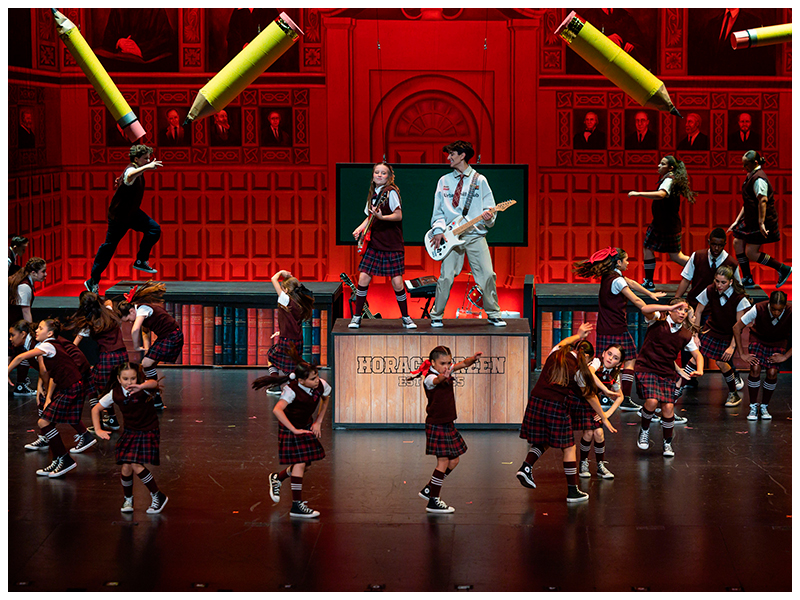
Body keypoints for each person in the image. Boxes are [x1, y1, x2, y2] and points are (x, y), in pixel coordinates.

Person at [573, 247, 683, 417]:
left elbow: (632, 283)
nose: (628, 263)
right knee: (620, 360)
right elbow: (636, 300)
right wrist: (655, 309)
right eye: (626, 260)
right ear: (618, 262)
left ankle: (609, 396)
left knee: (613, 361)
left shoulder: (611, 275)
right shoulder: (617, 280)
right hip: (615, 327)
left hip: (608, 326)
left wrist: (650, 294)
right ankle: (616, 397)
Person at [516, 323, 616, 503]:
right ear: (586, 357)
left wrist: (578, 335)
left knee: (545, 440)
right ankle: (572, 491)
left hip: (536, 401)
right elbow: (590, 396)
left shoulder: (556, 352)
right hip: (555, 406)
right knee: (569, 447)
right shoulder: (578, 370)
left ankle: (526, 467)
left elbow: (563, 342)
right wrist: (604, 417)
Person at [429, 140, 505, 327]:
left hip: (474, 235)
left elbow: (490, 209)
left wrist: (488, 217)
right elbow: (438, 211)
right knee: (446, 276)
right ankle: (436, 315)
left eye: (452, 154)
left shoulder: (480, 180)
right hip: (450, 236)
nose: (449, 157)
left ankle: (493, 313)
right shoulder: (443, 181)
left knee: (487, 274)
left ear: (462, 156)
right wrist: (438, 230)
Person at [8, 319, 94, 477]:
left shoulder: (47, 345)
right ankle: (58, 458)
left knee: (44, 422)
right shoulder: (49, 347)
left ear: (49, 333)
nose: (36, 330)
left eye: (40, 328)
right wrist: (48, 396)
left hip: (71, 387)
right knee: (47, 421)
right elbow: (52, 373)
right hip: (69, 386)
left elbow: (20, 358)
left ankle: (64, 459)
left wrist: (6, 371)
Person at [408, 345, 481, 513]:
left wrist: (473, 359)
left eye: (448, 363)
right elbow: (437, 381)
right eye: (442, 363)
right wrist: (444, 376)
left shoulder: (447, 370)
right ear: (433, 363)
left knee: (454, 460)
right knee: (443, 462)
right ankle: (433, 501)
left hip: (447, 423)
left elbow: (463, 364)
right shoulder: (429, 378)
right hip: (436, 424)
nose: (446, 366)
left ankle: (430, 488)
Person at [255, 356, 330, 519]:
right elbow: (277, 410)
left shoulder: (321, 385)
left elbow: (326, 399)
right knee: (301, 462)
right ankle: (296, 505)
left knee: (305, 465)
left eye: (317, 376)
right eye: (312, 379)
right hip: (290, 426)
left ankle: (278, 478)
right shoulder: (291, 390)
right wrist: (294, 430)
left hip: (305, 424)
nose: (317, 380)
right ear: (301, 381)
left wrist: (318, 421)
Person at [91, 362, 168, 514]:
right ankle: (128, 499)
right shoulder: (115, 393)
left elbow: (153, 383)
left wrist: (141, 386)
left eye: (133, 378)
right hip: (131, 431)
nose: (129, 382)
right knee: (126, 466)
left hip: (148, 430)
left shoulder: (143, 389)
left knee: (135, 464)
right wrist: (98, 429)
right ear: (119, 379)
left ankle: (157, 495)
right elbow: (96, 409)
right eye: (125, 379)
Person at [85, 145, 163, 294]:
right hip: (119, 217)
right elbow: (129, 175)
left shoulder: (137, 170)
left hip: (132, 213)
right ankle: (93, 280)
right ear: (136, 159)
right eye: (145, 158)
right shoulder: (131, 169)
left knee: (154, 229)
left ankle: (141, 260)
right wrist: (147, 167)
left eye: (148, 158)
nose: (148, 161)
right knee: (109, 248)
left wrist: (144, 168)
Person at [349, 163, 416, 330]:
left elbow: (398, 215)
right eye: (377, 172)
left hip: (392, 243)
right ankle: (357, 317)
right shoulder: (373, 194)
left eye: (383, 173)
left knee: (397, 282)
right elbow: (370, 217)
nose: (379, 175)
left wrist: (382, 217)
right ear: (373, 176)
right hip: (375, 243)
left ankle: (406, 317)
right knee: (363, 278)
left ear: (389, 177)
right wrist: (360, 229)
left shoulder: (390, 192)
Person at [635, 300, 703, 458]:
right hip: (646, 368)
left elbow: (697, 354)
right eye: (679, 309)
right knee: (652, 401)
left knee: (668, 408)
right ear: (671, 310)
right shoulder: (657, 321)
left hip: (666, 373)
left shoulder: (685, 334)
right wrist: (669, 307)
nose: (682, 313)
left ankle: (667, 442)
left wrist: (700, 369)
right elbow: (645, 308)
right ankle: (644, 430)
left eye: (685, 310)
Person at [628, 155, 697, 289]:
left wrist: (639, 193)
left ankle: (701, 268)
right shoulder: (667, 179)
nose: (659, 166)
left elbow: (661, 194)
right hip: (660, 223)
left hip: (668, 225)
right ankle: (649, 281)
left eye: (663, 164)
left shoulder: (669, 180)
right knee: (649, 248)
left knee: (676, 256)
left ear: (671, 168)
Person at [728, 151, 791, 288]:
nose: (744, 168)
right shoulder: (751, 175)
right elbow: (748, 202)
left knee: (751, 253)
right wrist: (737, 221)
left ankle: (782, 268)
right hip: (751, 219)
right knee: (737, 242)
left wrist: (761, 223)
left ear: (755, 163)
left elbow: (762, 201)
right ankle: (748, 278)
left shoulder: (759, 179)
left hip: (762, 220)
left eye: (746, 165)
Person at [117, 281, 183, 410]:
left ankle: (153, 394)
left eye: (129, 319)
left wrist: (136, 347)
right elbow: (145, 332)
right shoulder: (142, 313)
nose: (130, 322)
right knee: (147, 364)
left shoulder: (142, 309)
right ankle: (155, 397)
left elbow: (135, 330)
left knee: (146, 364)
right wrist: (147, 349)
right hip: (166, 336)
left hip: (172, 336)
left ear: (131, 311)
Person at [691, 266, 750, 407]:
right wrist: (695, 335)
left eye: (723, 282)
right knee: (694, 356)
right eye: (717, 281)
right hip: (711, 329)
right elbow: (698, 311)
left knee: (721, 362)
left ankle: (733, 394)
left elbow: (738, 326)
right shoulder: (710, 290)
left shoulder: (739, 298)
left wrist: (732, 347)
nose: (719, 285)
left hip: (728, 334)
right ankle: (676, 390)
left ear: (730, 281)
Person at [71, 292, 127, 431]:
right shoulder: (109, 312)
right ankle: (115, 418)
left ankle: (108, 419)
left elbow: (75, 343)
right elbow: (108, 302)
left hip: (107, 357)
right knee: (121, 388)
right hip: (122, 355)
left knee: (96, 387)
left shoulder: (89, 323)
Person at [733, 290, 791, 421]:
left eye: (780, 310)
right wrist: (742, 354)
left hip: (778, 341)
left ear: (784, 307)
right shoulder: (758, 308)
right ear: (769, 304)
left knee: (772, 372)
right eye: (774, 309)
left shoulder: (791, 312)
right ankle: (753, 406)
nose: (776, 313)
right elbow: (736, 327)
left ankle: (764, 406)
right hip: (758, 339)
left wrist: (785, 356)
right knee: (755, 368)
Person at [577, 342, 625, 480]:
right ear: (603, 353)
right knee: (588, 433)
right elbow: (590, 374)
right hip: (581, 399)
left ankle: (600, 465)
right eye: (609, 354)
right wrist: (605, 390)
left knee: (599, 433)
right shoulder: (596, 362)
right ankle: (583, 463)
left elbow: (620, 397)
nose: (610, 358)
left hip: (594, 403)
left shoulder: (614, 375)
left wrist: (606, 414)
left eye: (615, 358)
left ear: (618, 363)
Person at [266, 270, 314, 385]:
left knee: (271, 357)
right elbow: (293, 322)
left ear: (286, 290)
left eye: (283, 288)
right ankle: (294, 384)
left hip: (287, 340)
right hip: (298, 339)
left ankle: (276, 383)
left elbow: (273, 279)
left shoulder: (286, 300)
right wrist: (281, 331)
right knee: (292, 365)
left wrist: (282, 272)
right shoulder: (301, 301)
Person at [9, 257, 47, 396]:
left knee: (20, 353)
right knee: (17, 352)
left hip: (14, 325)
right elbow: (26, 311)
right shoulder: (25, 287)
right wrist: (31, 331)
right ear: (33, 273)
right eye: (43, 271)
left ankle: (20, 384)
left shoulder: (25, 283)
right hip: (13, 325)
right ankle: (19, 385)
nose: (45, 274)